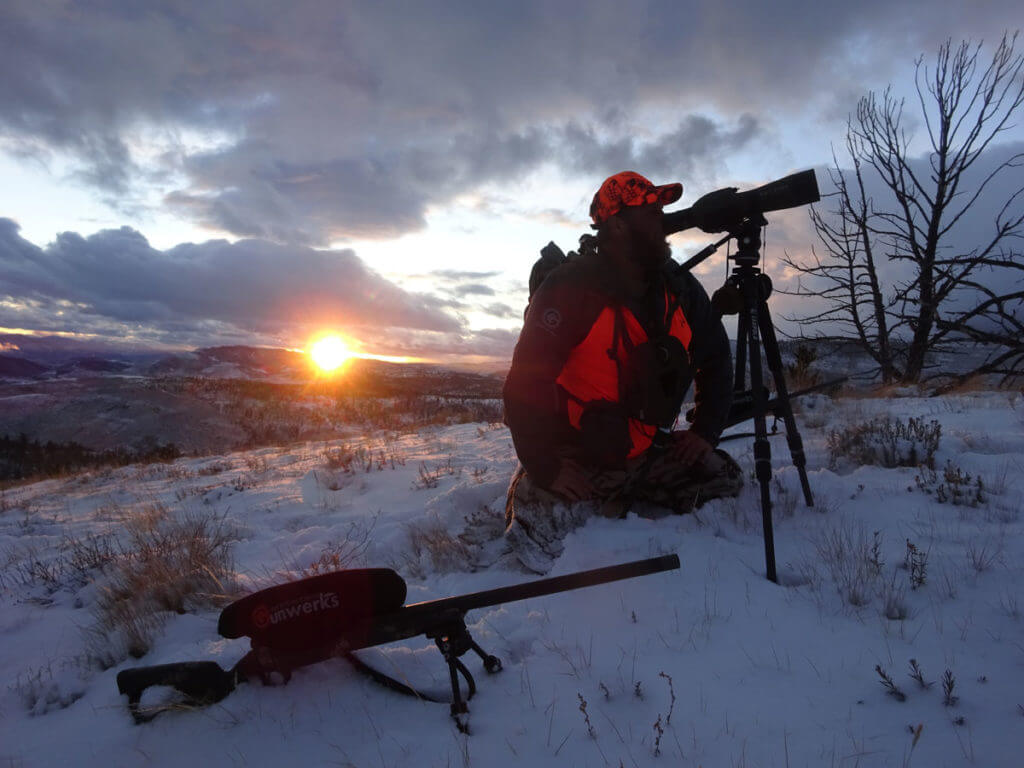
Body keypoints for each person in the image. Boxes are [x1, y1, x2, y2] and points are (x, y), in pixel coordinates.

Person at [501, 171, 742, 570]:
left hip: (646, 451)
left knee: (724, 480)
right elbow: (524, 384)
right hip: (580, 455)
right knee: (533, 536)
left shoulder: (679, 287)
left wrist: (703, 432)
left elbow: (716, 357)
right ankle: (553, 484)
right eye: (649, 213)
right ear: (616, 224)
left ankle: (619, 499)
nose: (661, 221)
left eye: (660, 210)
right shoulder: (570, 287)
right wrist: (548, 466)